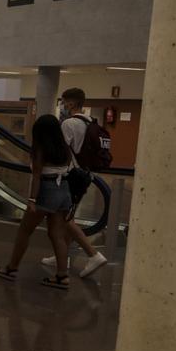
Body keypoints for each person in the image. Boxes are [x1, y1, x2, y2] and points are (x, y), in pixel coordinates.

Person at [0, 115, 84, 288]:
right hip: (64, 190)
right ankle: (62, 276)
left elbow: (37, 176)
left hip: (46, 190)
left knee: (25, 231)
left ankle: (11, 268)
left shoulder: (41, 147)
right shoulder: (64, 147)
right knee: (57, 235)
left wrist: (32, 199)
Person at [40, 88, 109, 277]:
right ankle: (62, 255)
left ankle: (93, 254)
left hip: (70, 176)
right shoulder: (90, 122)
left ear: (71, 103)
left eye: (64, 102)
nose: (62, 105)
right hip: (86, 175)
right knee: (69, 215)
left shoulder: (69, 123)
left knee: (64, 218)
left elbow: (60, 152)